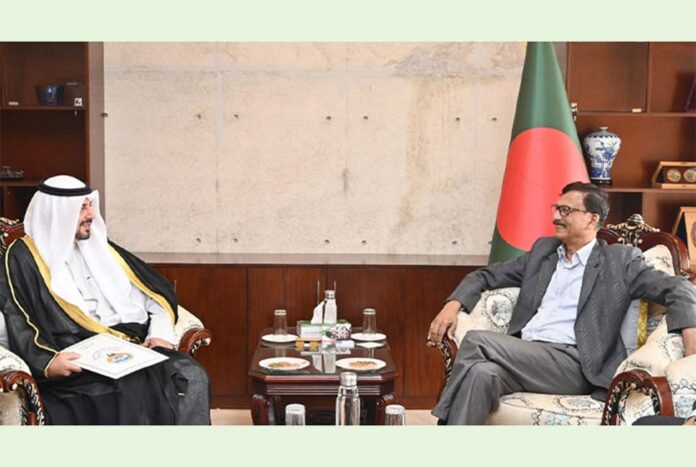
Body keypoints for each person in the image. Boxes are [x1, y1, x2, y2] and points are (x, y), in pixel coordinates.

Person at [428, 181, 696, 425]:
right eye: (556, 208)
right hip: (525, 355)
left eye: (566, 210)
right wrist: (452, 306)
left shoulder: (619, 260)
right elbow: (485, 276)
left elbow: (679, 287)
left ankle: (440, 425)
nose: (556, 216)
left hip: (576, 364)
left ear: (592, 218)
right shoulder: (543, 252)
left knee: (475, 341)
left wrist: (690, 332)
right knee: (481, 374)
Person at [0, 175, 211, 424]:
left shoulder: (100, 246)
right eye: (82, 208)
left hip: (131, 347)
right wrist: (47, 362)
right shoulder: (22, 257)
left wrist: (160, 332)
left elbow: (155, 292)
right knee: (130, 388)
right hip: (75, 358)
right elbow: (16, 315)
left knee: (192, 374)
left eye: (90, 205)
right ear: (57, 213)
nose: (91, 215)